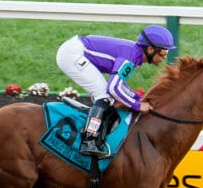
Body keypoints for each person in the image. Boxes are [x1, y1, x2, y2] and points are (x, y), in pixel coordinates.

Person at [56, 25, 175, 158]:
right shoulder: (130, 57)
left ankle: (95, 133)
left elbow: (120, 84)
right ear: (150, 49)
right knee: (104, 96)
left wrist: (137, 97)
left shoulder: (134, 55)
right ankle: (89, 141)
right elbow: (113, 88)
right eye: (163, 53)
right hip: (72, 55)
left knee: (107, 96)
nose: (164, 57)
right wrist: (137, 105)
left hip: (75, 51)